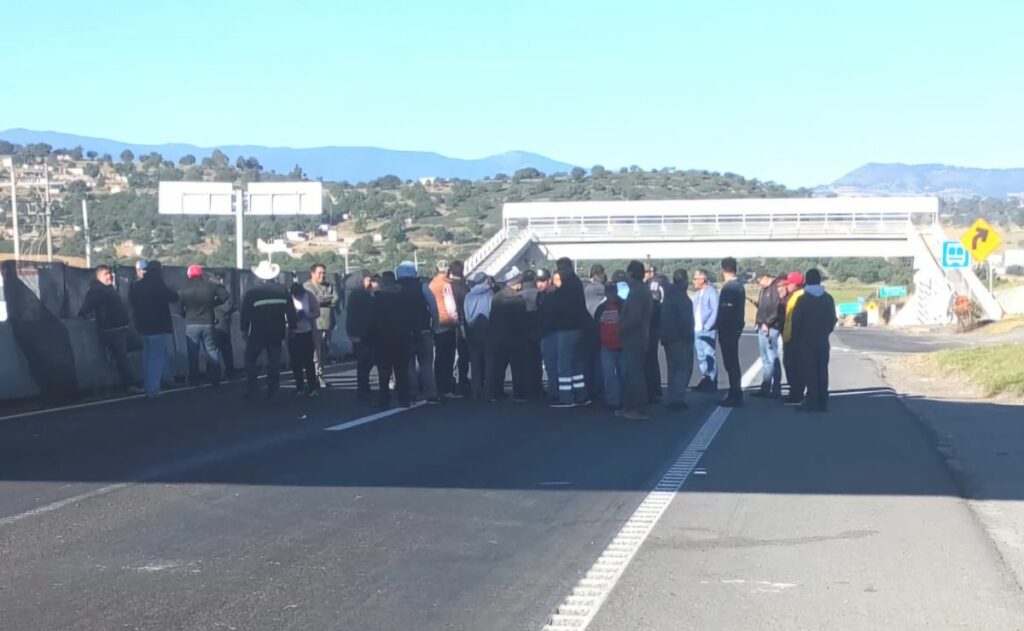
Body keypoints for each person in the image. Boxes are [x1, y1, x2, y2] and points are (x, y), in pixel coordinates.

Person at [240, 260, 297, 399]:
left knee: (250, 358)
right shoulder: (282, 291)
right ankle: (273, 388)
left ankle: (252, 387)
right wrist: (293, 328)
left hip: (258, 331)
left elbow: (245, 313)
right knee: (274, 360)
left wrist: (243, 330)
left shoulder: (253, 293)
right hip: (277, 331)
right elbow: (291, 311)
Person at [79, 264, 139, 392]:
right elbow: (86, 307)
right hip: (111, 329)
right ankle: (130, 384)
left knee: (123, 355)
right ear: (99, 276)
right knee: (122, 357)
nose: (110, 276)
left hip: (119, 327)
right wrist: (82, 316)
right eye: (106, 274)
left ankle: (123, 383)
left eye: (110, 273)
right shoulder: (97, 291)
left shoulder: (108, 289)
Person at [789, 269, 837, 412]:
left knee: (809, 371)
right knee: (822, 369)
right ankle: (823, 400)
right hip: (822, 341)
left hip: (806, 341)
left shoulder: (802, 300)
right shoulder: (828, 298)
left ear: (807, 281)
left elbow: (796, 321)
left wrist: (796, 339)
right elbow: (832, 320)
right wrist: (825, 332)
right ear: (820, 280)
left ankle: (812, 400)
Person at [128, 260, 178, 397]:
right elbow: (173, 297)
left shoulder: (136, 285)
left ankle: (148, 385)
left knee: (147, 357)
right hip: (158, 325)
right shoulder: (157, 283)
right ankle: (153, 388)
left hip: (142, 325)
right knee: (156, 357)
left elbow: (131, 302)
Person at [396, 261, 439, 404]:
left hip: (403, 333)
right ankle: (430, 393)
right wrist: (435, 325)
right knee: (426, 364)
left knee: (408, 365)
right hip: (424, 330)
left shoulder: (396, 288)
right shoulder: (423, 287)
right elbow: (433, 308)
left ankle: (412, 392)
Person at [548, 258, 589, 408]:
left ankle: (566, 397)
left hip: (566, 328)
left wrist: (553, 292)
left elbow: (559, 306)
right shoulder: (577, 283)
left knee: (564, 365)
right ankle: (581, 394)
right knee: (576, 364)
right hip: (578, 328)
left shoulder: (565, 287)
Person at [179, 264, 229, 387]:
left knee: (193, 352)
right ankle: (215, 377)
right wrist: (213, 303)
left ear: (189, 275)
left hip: (191, 323)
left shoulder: (184, 288)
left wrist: (186, 314)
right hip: (208, 322)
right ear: (201, 274)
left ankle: (194, 379)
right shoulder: (209, 286)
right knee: (211, 349)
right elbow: (225, 295)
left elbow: (179, 308)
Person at [369, 271, 413, 408]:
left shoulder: (377, 299)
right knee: (402, 371)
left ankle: (384, 398)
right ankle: (404, 398)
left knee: (384, 371)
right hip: (402, 338)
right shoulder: (404, 298)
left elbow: (372, 321)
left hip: (383, 339)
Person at [617, 260, 653, 420]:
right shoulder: (639, 290)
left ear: (631, 274)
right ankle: (632, 406)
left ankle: (637, 408)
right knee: (632, 373)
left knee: (634, 374)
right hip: (635, 336)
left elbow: (635, 317)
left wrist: (621, 328)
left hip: (635, 336)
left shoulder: (638, 291)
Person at [488, 267, 529, 402]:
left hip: (497, 337)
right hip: (515, 338)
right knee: (517, 367)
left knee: (498, 366)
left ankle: (496, 393)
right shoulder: (518, 299)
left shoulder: (497, 297)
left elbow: (492, 317)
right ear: (516, 284)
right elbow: (522, 321)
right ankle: (519, 394)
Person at [660, 269, 695, 410]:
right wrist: (688, 337)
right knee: (682, 368)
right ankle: (677, 399)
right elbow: (686, 321)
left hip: (668, 338)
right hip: (680, 338)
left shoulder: (668, 296)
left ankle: (671, 397)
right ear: (684, 280)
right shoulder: (682, 299)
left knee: (672, 369)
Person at [428, 261, 461, 398]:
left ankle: (439, 386)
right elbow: (451, 306)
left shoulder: (431, 284)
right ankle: (447, 387)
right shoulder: (446, 284)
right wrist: (456, 321)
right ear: (447, 270)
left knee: (439, 357)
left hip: (436, 324)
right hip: (447, 324)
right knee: (448, 358)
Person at [716, 257, 746, 407]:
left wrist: (718, 324)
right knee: (733, 362)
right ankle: (735, 392)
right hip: (735, 328)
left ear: (723, 270)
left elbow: (725, 311)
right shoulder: (739, 286)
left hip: (728, 329)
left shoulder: (730, 288)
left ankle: (735, 393)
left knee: (731, 363)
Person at [304, 263, 338, 389]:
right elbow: (314, 300)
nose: (322, 275)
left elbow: (336, 298)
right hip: (315, 324)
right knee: (316, 352)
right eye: (319, 273)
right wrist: (325, 299)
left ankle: (321, 374)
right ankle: (316, 377)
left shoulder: (329, 285)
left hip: (328, 323)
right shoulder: (307, 286)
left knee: (324, 350)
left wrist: (324, 300)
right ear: (312, 273)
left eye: (324, 273)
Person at [752, 268, 784, 398]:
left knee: (772, 358)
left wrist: (768, 322)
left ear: (765, 277)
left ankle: (775, 388)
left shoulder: (776, 287)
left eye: (759, 280)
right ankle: (765, 387)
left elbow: (777, 308)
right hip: (761, 326)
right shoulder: (763, 290)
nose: (758, 283)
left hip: (771, 328)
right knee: (765, 359)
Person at [345, 270, 375, 402]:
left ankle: (365, 388)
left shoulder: (362, 294)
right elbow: (352, 317)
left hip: (367, 333)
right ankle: (363, 390)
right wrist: (354, 333)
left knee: (367, 363)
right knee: (363, 364)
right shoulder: (358, 295)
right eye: (367, 280)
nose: (369, 283)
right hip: (360, 334)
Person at [593, 282, 624, 409]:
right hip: (606, 345)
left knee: (623, 374)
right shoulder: (601, 308)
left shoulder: (623, 305)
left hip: (621, 344)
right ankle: (612, 400)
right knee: (609, 375)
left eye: (613, 292)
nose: (611, 294)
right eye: (609, 292)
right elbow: (595, 324)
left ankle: (624, 398)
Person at [464, 272, 494, 400]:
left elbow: (466, 315)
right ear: (485, 280)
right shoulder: (490, 294)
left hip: (473, 329)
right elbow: (493, 312)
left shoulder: (468, 296)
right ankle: (489, 391)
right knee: (489, 361)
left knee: (475, 362)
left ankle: (476, 391)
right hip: (488, 329)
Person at [288, 282, 321, 397]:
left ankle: (312, 387)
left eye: (300, 295)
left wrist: (307, 315)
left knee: (308, 361)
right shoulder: (288, 299)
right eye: (296, 296)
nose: (298, 298)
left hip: (307, 332)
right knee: (296, 362)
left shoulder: (309, 296)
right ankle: (299, 387)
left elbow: (317, 312)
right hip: (293, 333)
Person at [780, 272, 806, 405]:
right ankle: (795, 391)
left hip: (795, 337)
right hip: (789, 336)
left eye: (789, 284)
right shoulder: (793, 296)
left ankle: (797, 393)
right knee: (790, 365)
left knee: (795, 366)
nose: (787, 286)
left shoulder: (800, 297)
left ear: (796, 284)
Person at [691, 269, 719, 392]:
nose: (694, 281)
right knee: (701, 356)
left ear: (702, 279)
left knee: (709, 355)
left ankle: (711, 380)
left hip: (707, 329)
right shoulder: (696, 295)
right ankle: (705, 379)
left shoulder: (711, 292)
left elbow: (715, 310)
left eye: (695, 279)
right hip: (696, 330)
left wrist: (708, 326)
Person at [583, 264, 607, 402]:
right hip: (602, 329)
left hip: (586, 329)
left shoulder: (585, 291)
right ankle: (600, 389)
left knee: (586, 361)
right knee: (600, 361)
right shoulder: (606, 291)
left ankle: (588, 389)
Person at [519, 269, 545, 398]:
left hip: (522, 332)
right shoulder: (540, 294)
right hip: (537, 331)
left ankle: (525, 387)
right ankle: (537, 387)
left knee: (524, 361)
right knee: (537, 361)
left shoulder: (518, 295)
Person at [536, 269, 560, 403]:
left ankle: (554, 391)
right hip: (546, 333)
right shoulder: (541, 295)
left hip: (551, 333)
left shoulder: (551, 296)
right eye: (538, 281)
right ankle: (554, 390)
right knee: (551, 364)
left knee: (552, 364)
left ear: (548, 280)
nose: (540, 284)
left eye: (542, 281)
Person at [448, 260, 472, 397]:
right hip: (462, 324)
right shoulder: (465, 287)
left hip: (447, 323)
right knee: (463, 354)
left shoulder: (447, 286)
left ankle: (449, 380)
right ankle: (462, 380)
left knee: (448, 354)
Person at [210, 272, 236, 378]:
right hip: (222, 321)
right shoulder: (221, 289)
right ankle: (229, 371)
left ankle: (214, 373)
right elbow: (229, 305)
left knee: (214, 348)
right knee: (225, 348)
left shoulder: (209, 288)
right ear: (220, 279)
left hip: (214, 320)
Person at [645, 275, 664, 402]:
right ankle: (654, 389)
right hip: (652, 328)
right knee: (651, 361)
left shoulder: (654, 287)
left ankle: (653, 390)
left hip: (650, 328)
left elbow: (655, 300)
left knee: (650, 361)